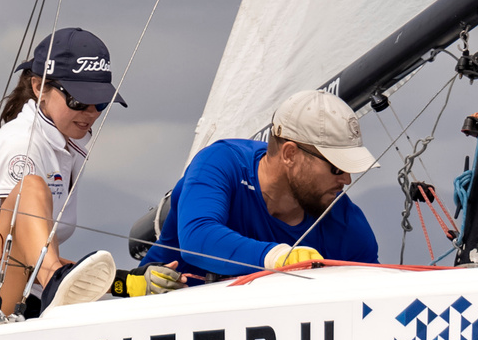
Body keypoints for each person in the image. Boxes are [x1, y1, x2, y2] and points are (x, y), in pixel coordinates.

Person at [0, 28, 123, 334]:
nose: (92, 113)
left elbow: (34, 253)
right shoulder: (21, 144)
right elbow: (13, 243)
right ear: (39, 86)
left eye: (101, 103)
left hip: (18, 293)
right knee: (30, 186)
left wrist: (125, 282)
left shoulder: (66, 145)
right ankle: (56, 285)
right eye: (79, 101)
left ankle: (56, 285)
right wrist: (56, 278)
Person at [139, 88, 381, 281]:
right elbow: (198, 238)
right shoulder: (221, 163)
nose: (347, 180)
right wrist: (276, 258)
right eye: (336, 167)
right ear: (289, 154)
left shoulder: (346, 222)